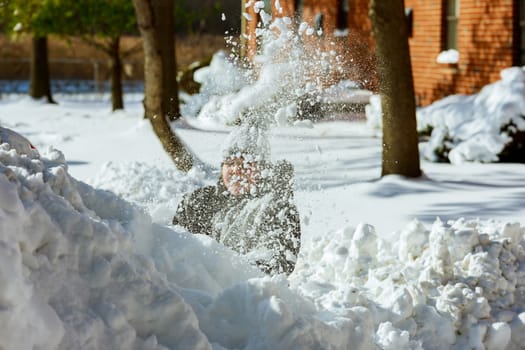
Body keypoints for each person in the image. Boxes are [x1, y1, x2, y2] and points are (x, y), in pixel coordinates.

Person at [172, 124, 301, 275]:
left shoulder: (276, 209)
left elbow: (274, 264)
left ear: (263, 170)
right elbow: (171, 252)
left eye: (246, 163)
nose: (236, 170)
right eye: (230, 163)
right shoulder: (198, 203)